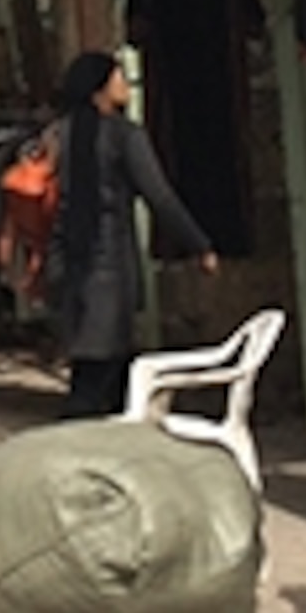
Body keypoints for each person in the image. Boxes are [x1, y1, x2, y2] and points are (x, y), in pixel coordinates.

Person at [51, 49, 217, 420]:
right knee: (101, 383)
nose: (125, 84)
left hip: (73, 268)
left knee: (90, 376)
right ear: (100, 89)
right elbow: (159, 196)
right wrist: (198, 244)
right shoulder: (124, 136)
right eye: (119, 77)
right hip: (109, 271)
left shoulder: (65, 135)